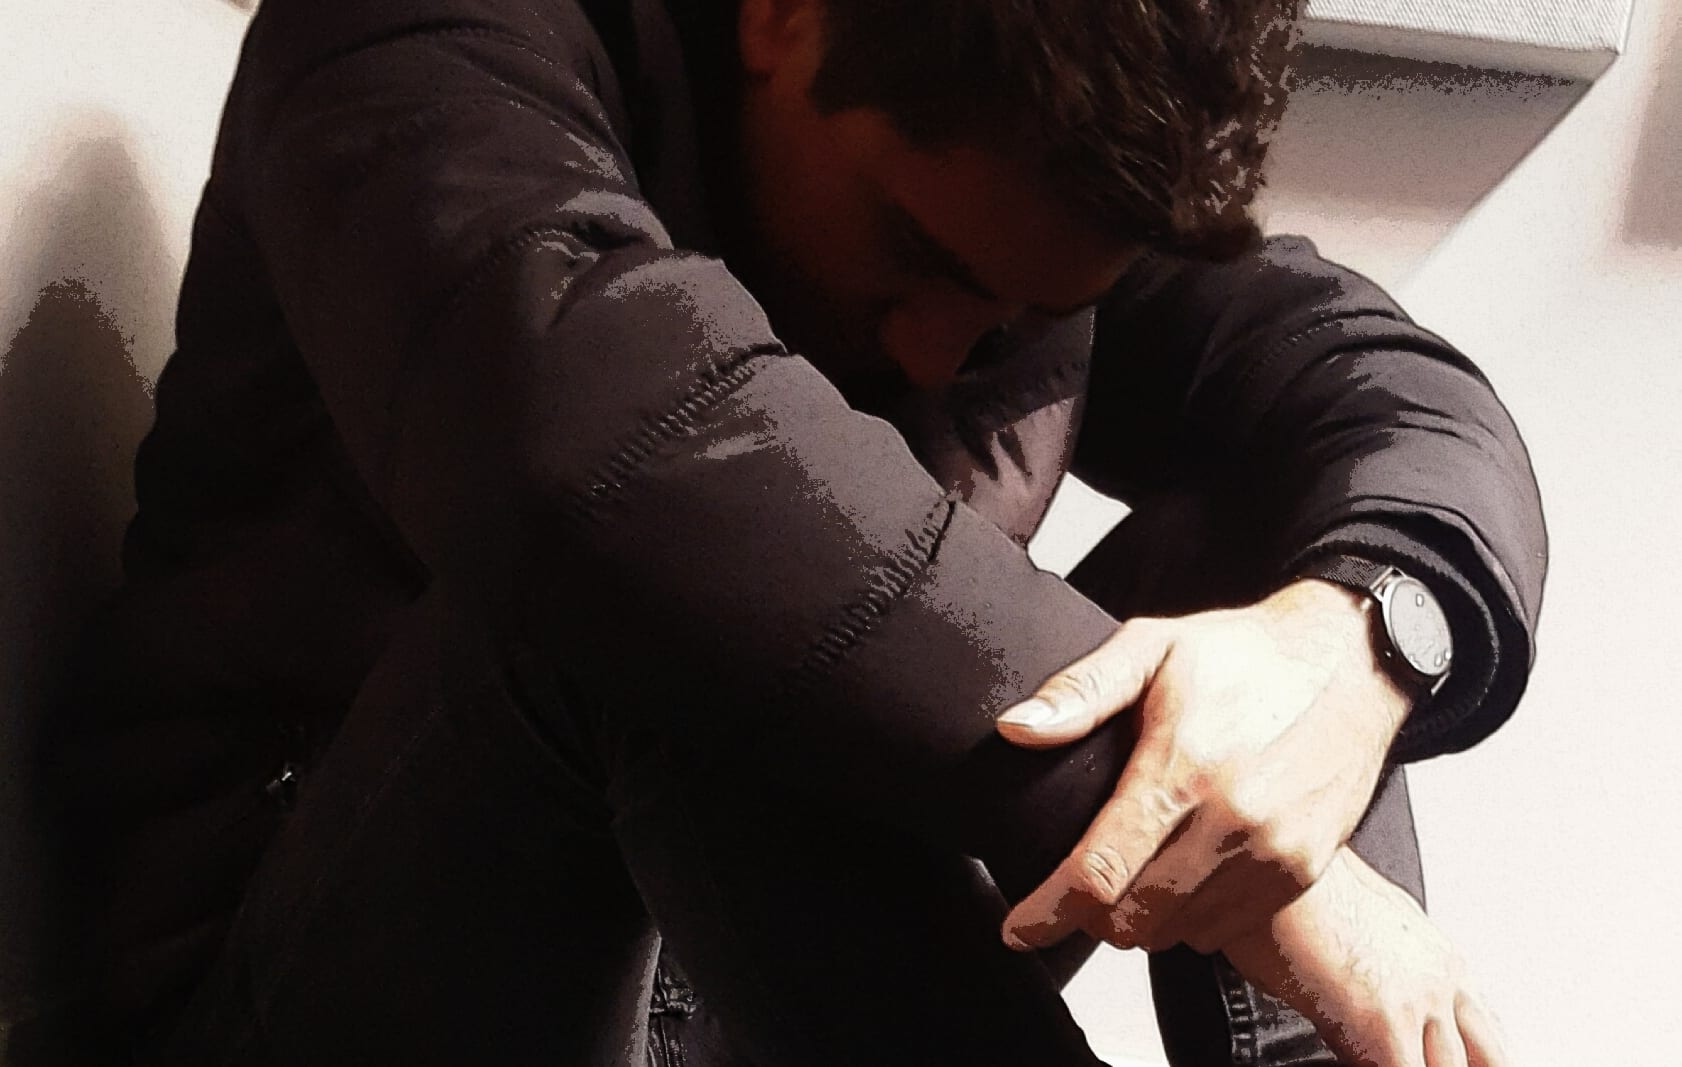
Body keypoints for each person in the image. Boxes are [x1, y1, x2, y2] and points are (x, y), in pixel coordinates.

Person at [52, 0, 1546, 1063]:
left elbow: (1381, 389)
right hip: (312, 977)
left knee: (1287, 572)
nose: (948, 350)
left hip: (734, 960)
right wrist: (1263, 870)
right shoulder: (415, 45)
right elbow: (602, 464)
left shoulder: (1021, 195)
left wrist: (1359, 643)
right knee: (660, 593)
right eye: (919, 256)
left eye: (1025, 317)